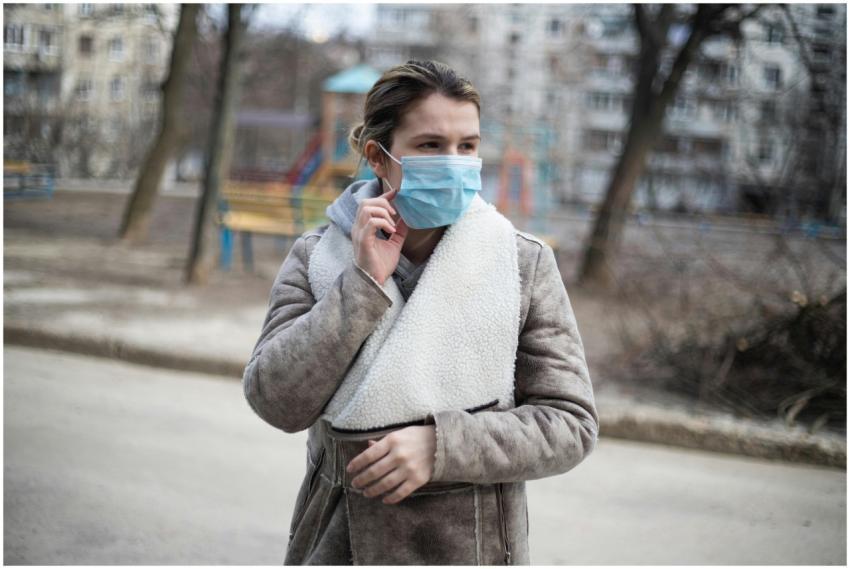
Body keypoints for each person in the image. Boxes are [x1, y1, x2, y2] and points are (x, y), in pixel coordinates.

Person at [242, 59, 598, 565]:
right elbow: (274, 400)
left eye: (467, 146)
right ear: (379, 157)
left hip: (468, 545)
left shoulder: (520, 261)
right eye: (431, 146)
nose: (454, 162)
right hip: (340, 544)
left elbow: (570, 423)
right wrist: (362, 284)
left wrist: (444, 447)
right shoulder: (317, 255)